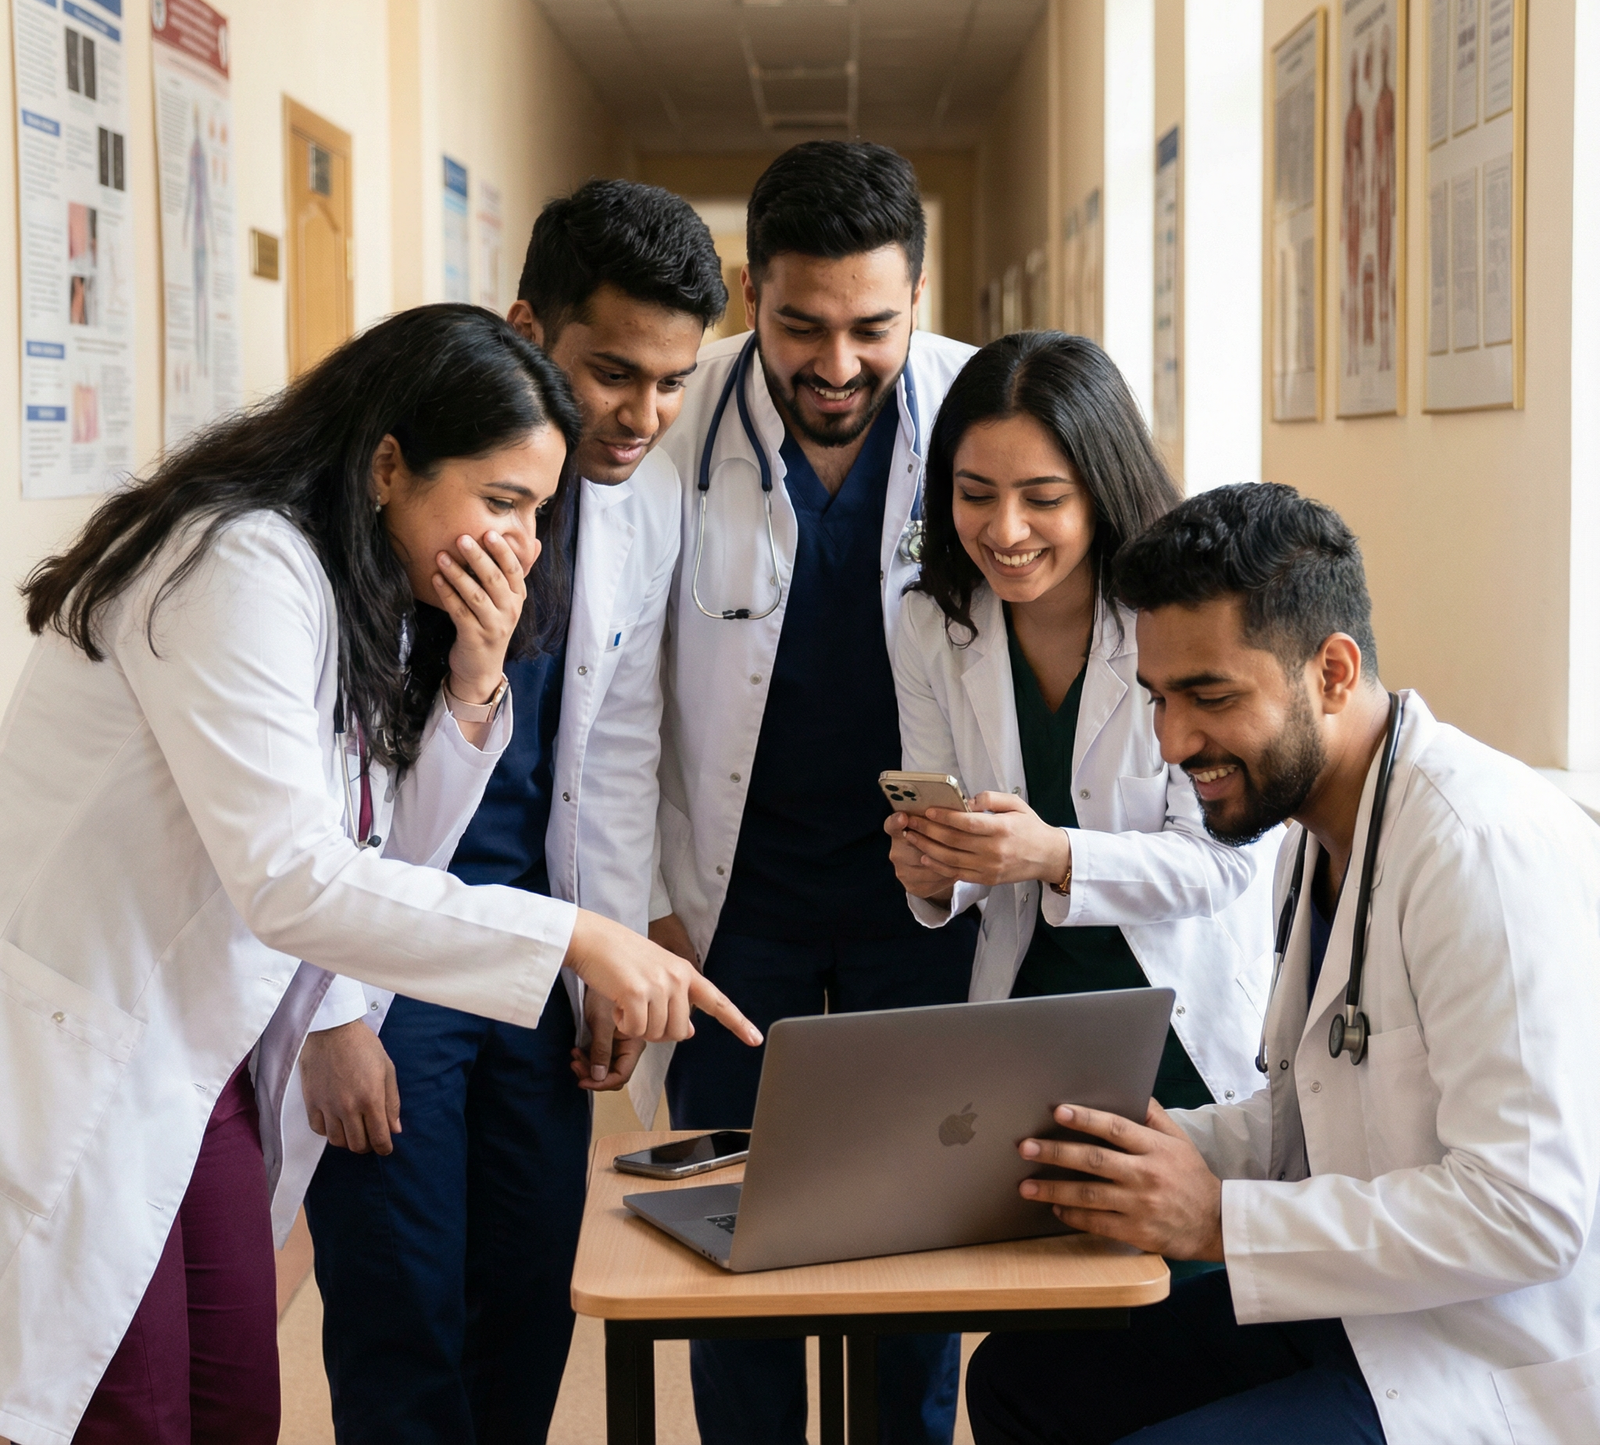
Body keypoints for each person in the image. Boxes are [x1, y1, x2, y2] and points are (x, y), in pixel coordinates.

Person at [0, 304, 758, 1445]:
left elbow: (394, 857)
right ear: (388, 464)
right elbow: (293, 880)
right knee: (133, 1415)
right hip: (90, 1046)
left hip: (196, 1063)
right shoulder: (237, 564)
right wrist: (575, 935)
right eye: (502, 502)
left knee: (234, 1407)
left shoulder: (358, 583)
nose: (524, 545)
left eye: (539, 513)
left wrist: (474, 679)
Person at [964, 482, 1600, 1445]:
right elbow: (1314, 1115)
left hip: (1494, 1352)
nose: (1173, 742)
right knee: (1024, 1380)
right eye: (1159, 698)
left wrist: (1218, 1222)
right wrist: (1122, 1154)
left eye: (1210, 697)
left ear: (1333, 671)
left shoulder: (1479, 850)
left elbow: (1527, 1214)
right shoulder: (1314, 832)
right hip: (1370, 1309)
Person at [298, 182, 728, 1444]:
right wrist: (330, 1012)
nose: (641, 415)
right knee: (405, 1309)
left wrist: (603, 951)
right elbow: (308, 798)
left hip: (536, 954)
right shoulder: (401, 492)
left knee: (530, 1295)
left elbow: (615, 748)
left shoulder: (644, 505)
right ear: (528, 328)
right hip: (388, 956)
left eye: (672, 382)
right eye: (612, 373)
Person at [642, 140, 977, 1445]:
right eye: (801, 327)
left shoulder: (978, 417)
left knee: (914, 1238)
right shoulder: (679, 429)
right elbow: (618, 695)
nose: (837, 364)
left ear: (918, 299)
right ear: (749, 293)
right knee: (734, 1234)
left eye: (873, 328)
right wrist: (640, 901)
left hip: (921, 895)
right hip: (737, 902)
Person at [887, 332, 1273, 1126]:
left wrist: (1056, 855)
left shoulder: (1185, 620)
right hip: (1028, 1027)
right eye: (976, 493)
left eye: (1043, 498)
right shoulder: (930, 624)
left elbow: (1224, 861)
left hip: (1180, 1036)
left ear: (1101, 489)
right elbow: (958, 833)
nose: (1006, 530)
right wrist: (935, 869)